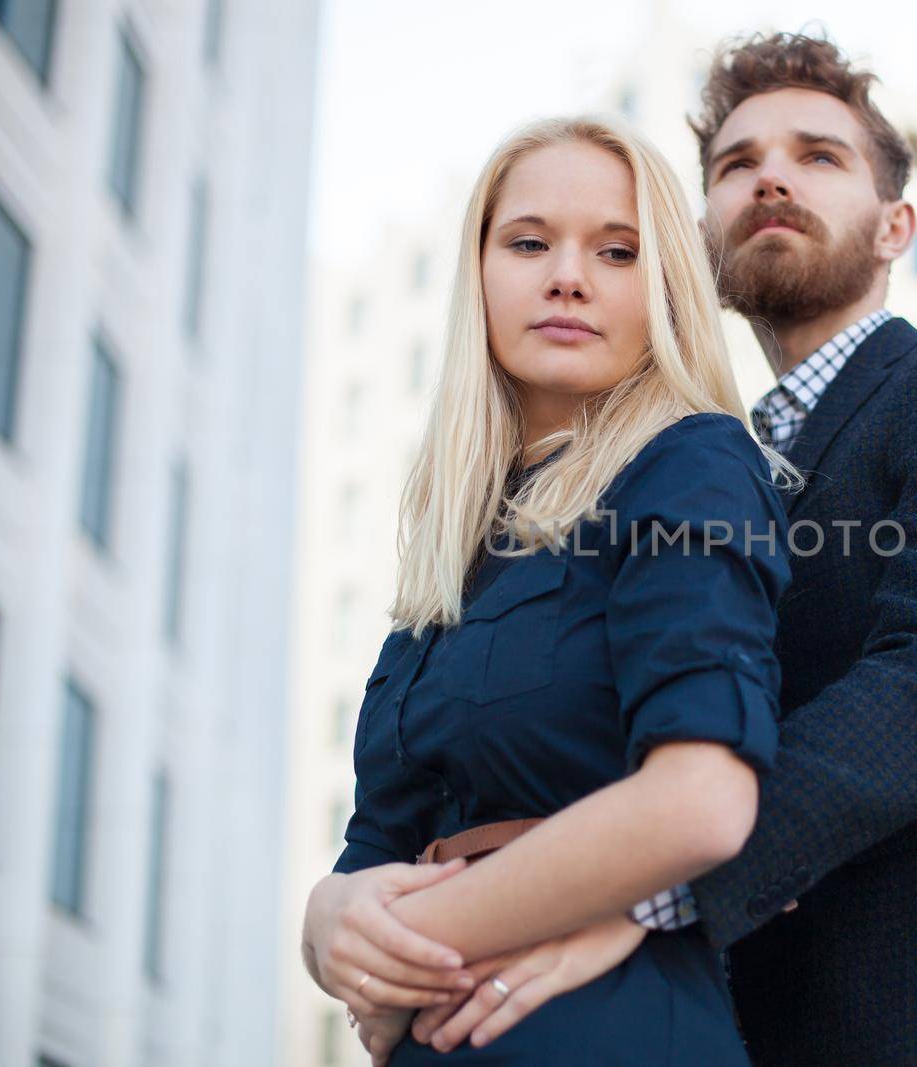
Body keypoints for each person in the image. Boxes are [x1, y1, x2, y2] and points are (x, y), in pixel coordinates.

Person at [405, 31, 917, 1065]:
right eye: (735, 165)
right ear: (697, 237)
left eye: (818, 156)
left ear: (895, 225)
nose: (770, 177)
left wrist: (656, 884)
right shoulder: (684, 472)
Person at [299, 114, 804, 1064]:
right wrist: (325, 923)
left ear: (663, 288)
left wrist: (425, 936)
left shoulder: (692, 462)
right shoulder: (454, 546)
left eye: (618, 251)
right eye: (529, 242)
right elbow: (377, 844)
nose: (567, 275)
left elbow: (699, 801)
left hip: (610, 1029)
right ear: (478, 272)